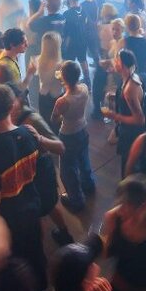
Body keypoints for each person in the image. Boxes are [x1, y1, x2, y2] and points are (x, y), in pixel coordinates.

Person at [0, 84, 49, 291]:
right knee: (35, 250)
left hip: (9, 214)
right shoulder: (28, 133)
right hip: (32, 202)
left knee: (15, 257)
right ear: (12, 106)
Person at [11, 89, 74, 247]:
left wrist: (39, 138)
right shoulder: (7, 119)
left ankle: (65, 234)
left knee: (50, 204)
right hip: (25, 170)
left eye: (10, 101)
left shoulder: (31, 119)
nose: (8, 106)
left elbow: (60, 147)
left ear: (19, 99)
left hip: (40, 169)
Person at [52, 61, 96, 213]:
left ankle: (76, 200)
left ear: (63, 78)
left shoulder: (62, 101)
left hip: (68, 134)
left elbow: (54, 119)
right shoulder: (84, 88)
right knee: (84, 159)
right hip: (83, 129)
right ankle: (89, 185)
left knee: (68, 169)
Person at [102, 49, 146, 176]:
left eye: (117, 60)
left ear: (123, 65)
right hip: (126, 130)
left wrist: (115, 116)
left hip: (131, 133)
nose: (114, 62)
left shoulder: (129, 89)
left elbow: (139, 120)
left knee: (129, 165)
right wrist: (116, 96)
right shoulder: (131, 76)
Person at [120, 13, 146, 91]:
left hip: (128, 80)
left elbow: (118, 64)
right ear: (140, 25)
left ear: (127, 27)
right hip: (143, 80)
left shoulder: (123, 42)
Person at [61, 0, 90, 84]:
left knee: (68, 64)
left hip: (71, 43)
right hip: (82, 40)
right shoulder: (84, 10)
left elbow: (64, 31)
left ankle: (69, 83)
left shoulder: (66, 14)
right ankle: (88, 82)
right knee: (83, 60)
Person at [36, 31, 64, 131]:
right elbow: (45, 80)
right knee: (51, 126)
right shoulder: (57, 63)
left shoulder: (40, 60)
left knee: (50, 125)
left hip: (49, 96)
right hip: (50, 97)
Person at [81, 0, 105, 74]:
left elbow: (86, 19)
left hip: (87, 31)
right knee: (94, 52)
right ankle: (100, 71)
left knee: (84, 55)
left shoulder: (83, 5)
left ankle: (88, 75)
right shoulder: (95, 1)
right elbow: (97, 16)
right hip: (94, 29)